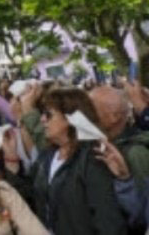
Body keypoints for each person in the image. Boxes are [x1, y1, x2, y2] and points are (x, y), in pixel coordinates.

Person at [30, 88, 127, 234]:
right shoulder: (45, 156)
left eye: (48, 114)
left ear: (70, 118)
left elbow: (107, 219)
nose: (42, 119)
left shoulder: (93, 158)